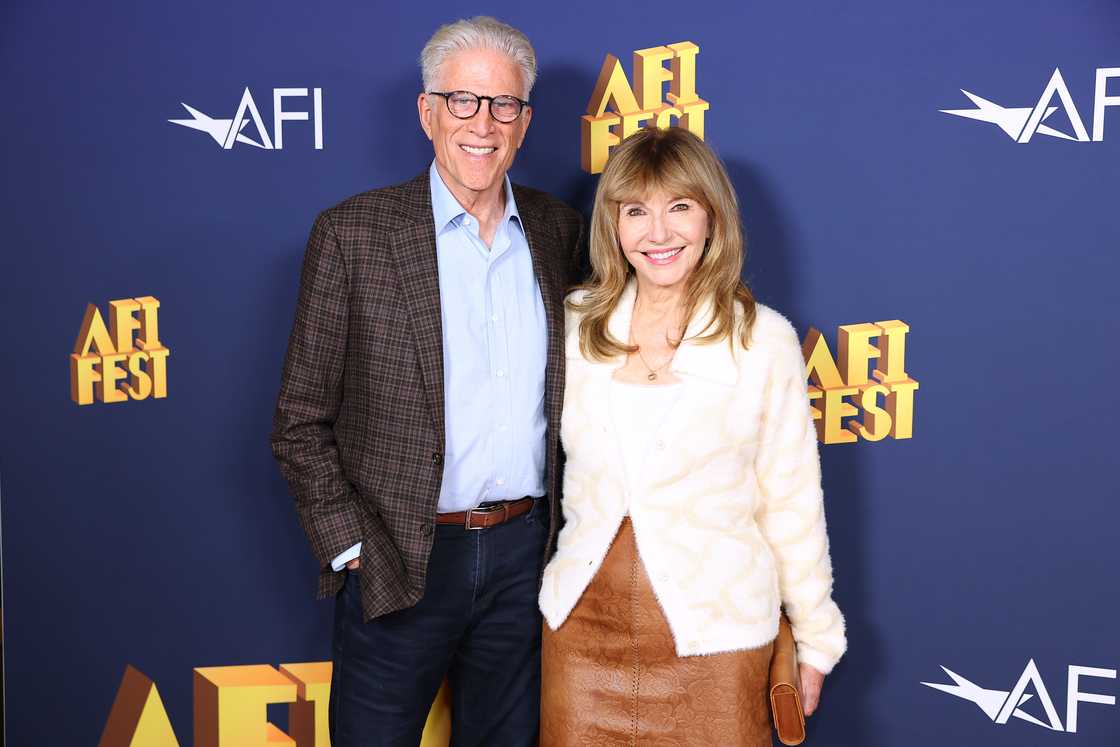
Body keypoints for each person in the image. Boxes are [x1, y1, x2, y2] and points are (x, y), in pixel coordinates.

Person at [270, 16, 583, 747]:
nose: (484, 123)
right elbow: (299, 420)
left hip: (524, 559)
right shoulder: (353, 235)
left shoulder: (558, 230)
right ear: (428, 112)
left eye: (503, 104)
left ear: (525, 121)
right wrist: (354, 549)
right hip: (401, 558)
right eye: (463, 101)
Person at [538, 126, 846, 746]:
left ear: (712, 218)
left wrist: (814, 638)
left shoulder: (763, 342)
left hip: (718, 643)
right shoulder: (575, 327)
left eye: (679, 207)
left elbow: (791, 504)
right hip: (579, 641)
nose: (658, 233)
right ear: (613, 225)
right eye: (636, 211)